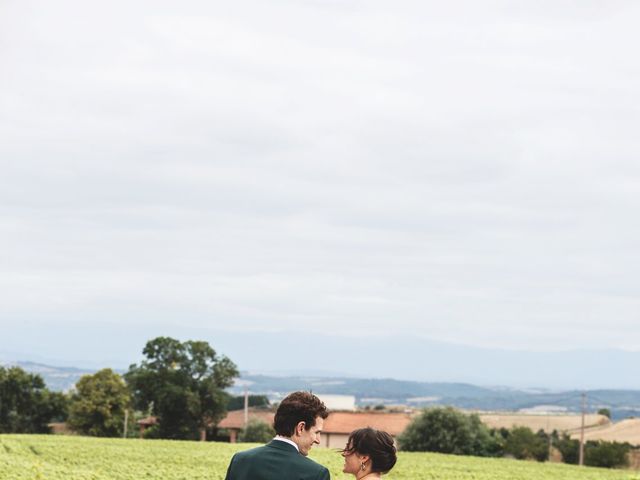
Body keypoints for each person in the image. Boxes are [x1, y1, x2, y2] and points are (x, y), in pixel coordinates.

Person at [225, 391, 331, 480]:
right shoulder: (317, 474)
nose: (318, 440)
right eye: (316, 432)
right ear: (300, 428)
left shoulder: (239, 460)